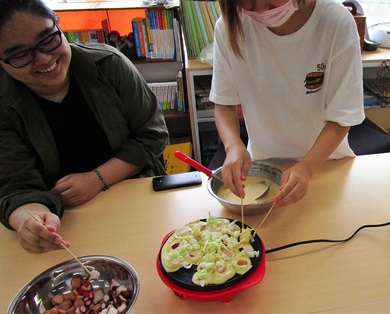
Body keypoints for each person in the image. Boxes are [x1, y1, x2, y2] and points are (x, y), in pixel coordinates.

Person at [0, 0, 169, 253]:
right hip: (65, 225)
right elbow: (16, 187)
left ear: (59, 27)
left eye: (48, 39)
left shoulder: (109, 64)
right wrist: (29, 221)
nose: (44, 58)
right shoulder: (5, 104)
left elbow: (153, 135)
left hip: (135, 203)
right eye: (21, 55)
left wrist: (96, 179)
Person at [210, 0, 365, 208]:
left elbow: (342, 117)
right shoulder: (231, 26)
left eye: (270, 4)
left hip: (326, 163)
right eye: (250, 6)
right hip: (264, 166)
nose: (262, 12)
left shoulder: (336, 22)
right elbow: (224, 103)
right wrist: (233, 146)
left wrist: (307, 167)